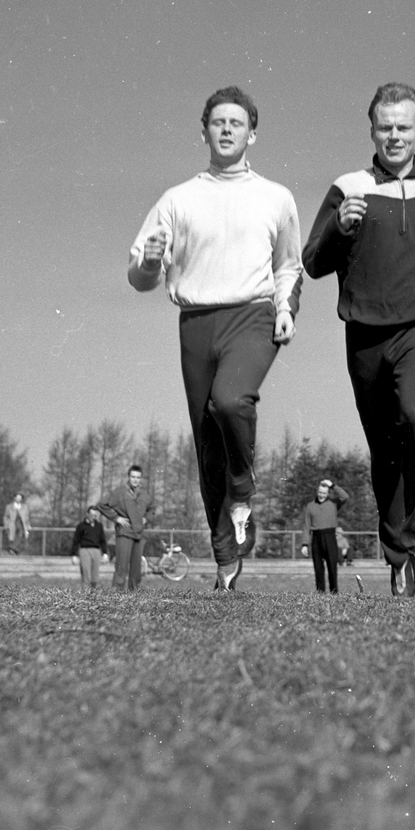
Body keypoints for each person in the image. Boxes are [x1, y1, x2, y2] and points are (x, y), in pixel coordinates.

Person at [127, 87, 302, 592]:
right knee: (208, 450)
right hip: (196, 322)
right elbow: (139, 279)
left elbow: (289, 265)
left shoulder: (276, 196)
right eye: (218, 122)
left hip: (252, 315)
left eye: (237, 123)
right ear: (203, 130)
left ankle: (244, 491)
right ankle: (226, 560)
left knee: (231, 402)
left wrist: (286, 308)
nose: (227, 130)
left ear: (253, 133)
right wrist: (152, 259)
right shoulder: (177, 200)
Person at [303, 83, 415, 597]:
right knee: (385, 446)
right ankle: (397, 555)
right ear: (371, 129)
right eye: (385, 126)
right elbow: (313, 261)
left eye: (404, 127)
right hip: (365, 331)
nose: (395, 136)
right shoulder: (347, 186)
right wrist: (340, 227)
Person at [97, 465, 151, 592]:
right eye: (133, 477)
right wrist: (117, 518)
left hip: (139, 534)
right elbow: (102, 504)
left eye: (138, 477)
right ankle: (117, 594)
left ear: (141, 479)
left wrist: (146, 518)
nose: (135, 480)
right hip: (125, 533)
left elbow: (152, 508)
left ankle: (134, 594)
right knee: (121, 567)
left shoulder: (144, 495)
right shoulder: (119, 492)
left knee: (136, 570)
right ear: (128, 477)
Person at [300, 478, 350, 594]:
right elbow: (306, 526)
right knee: (318, 568)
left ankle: (334, 593)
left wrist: (332, 485)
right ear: (317, 492)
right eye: (320, 492)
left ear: (328, 493)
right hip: (316, 538)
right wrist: (305, 544)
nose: (321, 495)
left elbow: (345, 496)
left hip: (330, 537)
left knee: (332, 567)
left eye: (324, 493)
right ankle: (320, 593)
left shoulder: (333, 504)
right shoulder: (310, 506)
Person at [70, 505, 110, 590]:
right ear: (87, 514)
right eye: (92, 515)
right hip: (85, 550)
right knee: (86, 575)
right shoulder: (81, 526)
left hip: (96, 551)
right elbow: (76, 541)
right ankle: (86, 594)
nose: (93, 517)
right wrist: (74, 554)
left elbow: (102, 540)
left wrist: (105, 553)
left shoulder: (99, 526)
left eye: (95, 515)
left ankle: (95, 594)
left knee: (95, 577)